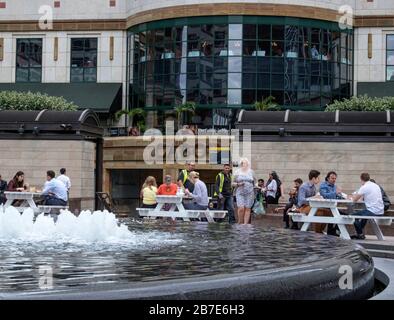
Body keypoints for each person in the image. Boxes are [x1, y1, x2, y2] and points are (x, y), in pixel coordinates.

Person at [350, 173, 385, 240]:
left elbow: (354, 200)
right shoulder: (376, 185)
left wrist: (352, 197)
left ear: (361, 179)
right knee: (364, 215)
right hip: (380, 211)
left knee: (353, 216)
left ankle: (360, 234)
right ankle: (360, 233)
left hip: (373, 211)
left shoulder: (364, 187)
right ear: (369, 178)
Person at [319, 171, 344, 236]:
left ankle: (332, 231)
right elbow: (325, 195)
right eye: (332, 178)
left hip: (332, 207)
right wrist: (335, 193)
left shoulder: (335, 186)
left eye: (335, 178)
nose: (334, 180)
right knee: (342, 215)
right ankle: (332, 231)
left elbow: (337, 196)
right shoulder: (323, 185)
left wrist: (342, 196)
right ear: (328, 178)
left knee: (344, 215)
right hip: (324, 207)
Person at [233, 158, 256, 224]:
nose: (244, 164)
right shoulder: (237, 172)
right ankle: (240, 222)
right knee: (241, 208)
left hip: (249, 192)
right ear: (241, 164)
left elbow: (255, 181)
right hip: (240, 192)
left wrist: (257, 186)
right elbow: (232, 183)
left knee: (248, 208)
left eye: (246, 163)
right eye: (243, 163)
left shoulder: (251, 172)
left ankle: (245, 225)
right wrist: (238, 184)